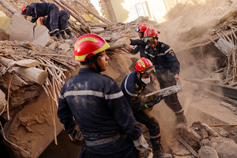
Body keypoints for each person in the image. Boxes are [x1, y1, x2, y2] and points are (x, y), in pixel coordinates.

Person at [57, 34, 152, 158]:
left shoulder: (67, 86)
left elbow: (63, 116)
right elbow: (126, 118)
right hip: (118, 148)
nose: (107, 58)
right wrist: (142, 146)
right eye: (102, 55)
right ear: (91, 59)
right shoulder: (107, 83)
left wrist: (77, 134)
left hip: (92, 150)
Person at [121, 57, 172, 158]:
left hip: (133, 101)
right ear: (139, 73)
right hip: (127, 108)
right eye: (146, 75)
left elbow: (142, 90)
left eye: (149, 75)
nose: (148, 77)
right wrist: (152, 103)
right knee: (154, 123)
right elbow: (135, 107)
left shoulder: (139, 77)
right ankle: (157, 153)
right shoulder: (131, 87)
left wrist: (153, 95)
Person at [143, 28, 188, 127]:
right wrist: (152, 74)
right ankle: (177, 117)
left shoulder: (165, 48)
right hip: (160, 76)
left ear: (156, 38)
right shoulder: (148, 49)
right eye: (149, 42)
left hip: (169, 75)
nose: (152, 44)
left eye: (153, 42)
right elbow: (147, 64)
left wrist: (176, 74)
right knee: (166, 99)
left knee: (172, 98)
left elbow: (174, 62)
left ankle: (183, 120)